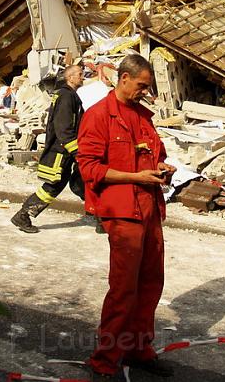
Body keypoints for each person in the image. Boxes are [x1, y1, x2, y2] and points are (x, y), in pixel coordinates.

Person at [77, 54, 176, 380]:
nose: (145, 92)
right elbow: (90, 169)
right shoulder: (98, 116)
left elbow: (154, 157)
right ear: (123, 79)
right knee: (123, 289)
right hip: (122, 213)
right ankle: (105, 361)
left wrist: (162, 169)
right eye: (141, 86)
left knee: (150, 284)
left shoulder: (142, 116)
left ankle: (139, 350)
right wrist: (136, 178)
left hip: (149, 209)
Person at [11, 65, 86, 233]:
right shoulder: (66, 97)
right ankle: (23, 215)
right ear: (70, 77)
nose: (83, 77)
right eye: (80, 74)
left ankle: (100, 215)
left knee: (81, 183)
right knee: (53, 187)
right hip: (62, 153)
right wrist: (77, 152)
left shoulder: (68, 95)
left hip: (65, 151)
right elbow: (64, 129)